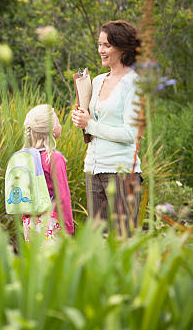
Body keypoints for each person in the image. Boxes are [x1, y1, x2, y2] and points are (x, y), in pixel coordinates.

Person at [72, 20, 142, 234]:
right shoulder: (98, 80)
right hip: (93, 168)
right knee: (97, 243)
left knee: (124, 241)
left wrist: (91, 125)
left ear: (122, 48)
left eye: (107, 45)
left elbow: (130, 134)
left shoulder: (134, 83)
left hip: (122, 173)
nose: (101, 50)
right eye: (99, 44)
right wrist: (80, 117)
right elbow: (94, 122)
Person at [21, 105, 74, 242]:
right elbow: (63, 196)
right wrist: (68, 228)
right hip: (51, 223)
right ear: (51, 130)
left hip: (29, 222)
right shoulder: (54, 158)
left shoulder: (24, 157)